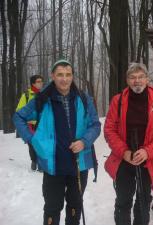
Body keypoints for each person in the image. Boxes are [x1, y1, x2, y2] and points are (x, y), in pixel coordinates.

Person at [13, 59, 101, 225]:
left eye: (68, 74)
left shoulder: (83, 98)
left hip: (78, 164)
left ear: (72, 76)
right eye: (60, 74)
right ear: (53, 76)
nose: (64, 79)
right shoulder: (41, 100)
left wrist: (84, 141)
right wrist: (32, 140)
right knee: (53, 208)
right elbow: (18, 116)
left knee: (75, 206)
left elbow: (95, 125)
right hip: (53, 165)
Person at [104, 62, 153, 225]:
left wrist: (148, 152)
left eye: (141, 77)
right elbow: (109, 129)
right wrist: (124, 152)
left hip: (147, 160)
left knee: (143, 201)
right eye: (133, 77)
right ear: (127, 80)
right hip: (124, 158)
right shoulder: (118, 101)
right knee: (123, 200)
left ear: (147, 79)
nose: (137, 81)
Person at [16, 74, 44, 170]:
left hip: (42, 124)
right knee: (32, 143)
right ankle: (34, 161)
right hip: (30, 125)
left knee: (41, 143)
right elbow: (19, 111)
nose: (41, 83)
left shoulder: (44, 94)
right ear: (33, 83)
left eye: (41, 81)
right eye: (38, 82)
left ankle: (41, 163)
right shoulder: (26, 95)